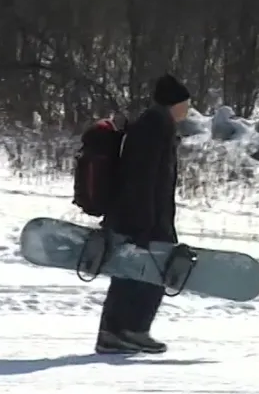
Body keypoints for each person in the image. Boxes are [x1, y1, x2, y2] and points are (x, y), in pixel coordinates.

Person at [95, 74, 191, 354]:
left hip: (133, 213)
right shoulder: (155, 126)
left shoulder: (154, 124)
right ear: (174, 103)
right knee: (154, 270)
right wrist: (147, 221)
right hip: (143, 216)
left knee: (126, 270)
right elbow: (143, 177)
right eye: (185, 103)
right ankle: (133, 330)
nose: (187, 109)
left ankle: (112, 333)